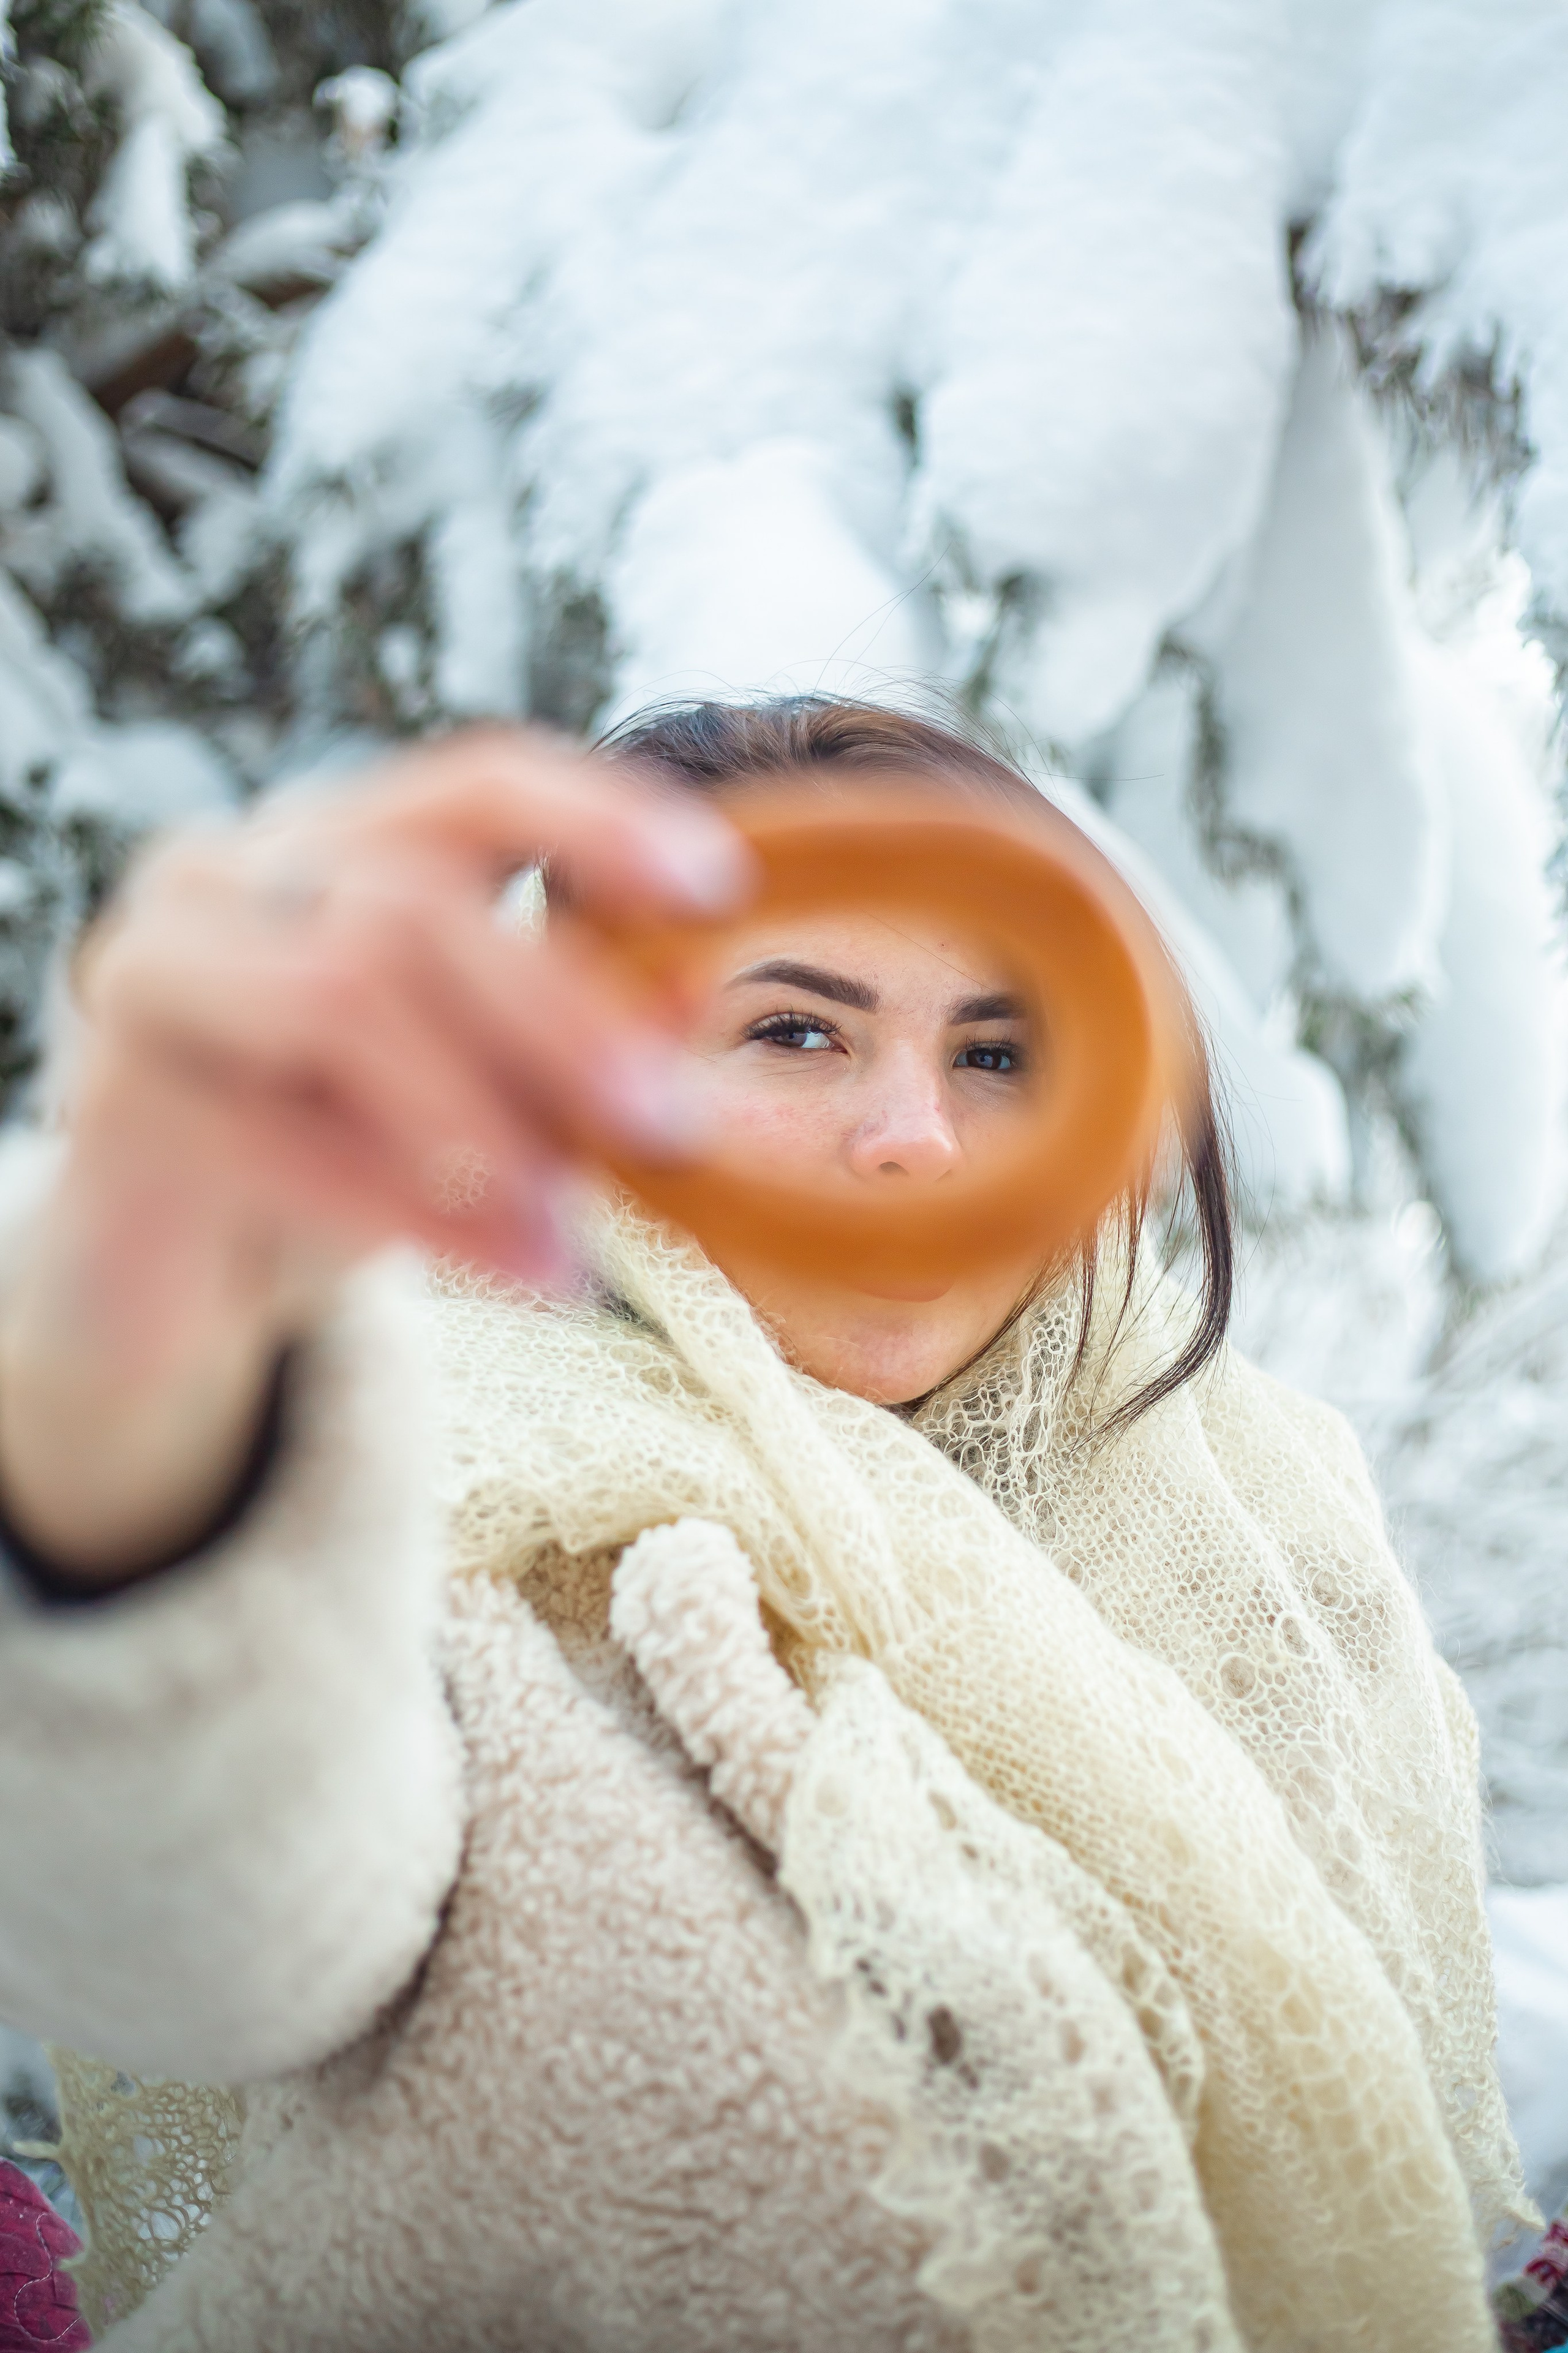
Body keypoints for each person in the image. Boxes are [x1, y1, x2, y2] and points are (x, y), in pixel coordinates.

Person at [0, 698, 1531, 2351]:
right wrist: (125, 1472)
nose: (914, 1137)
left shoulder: (1255, 1534)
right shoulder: (431, 1498)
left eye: (997, 1053)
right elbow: (233, 1901)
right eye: (796, 1033)